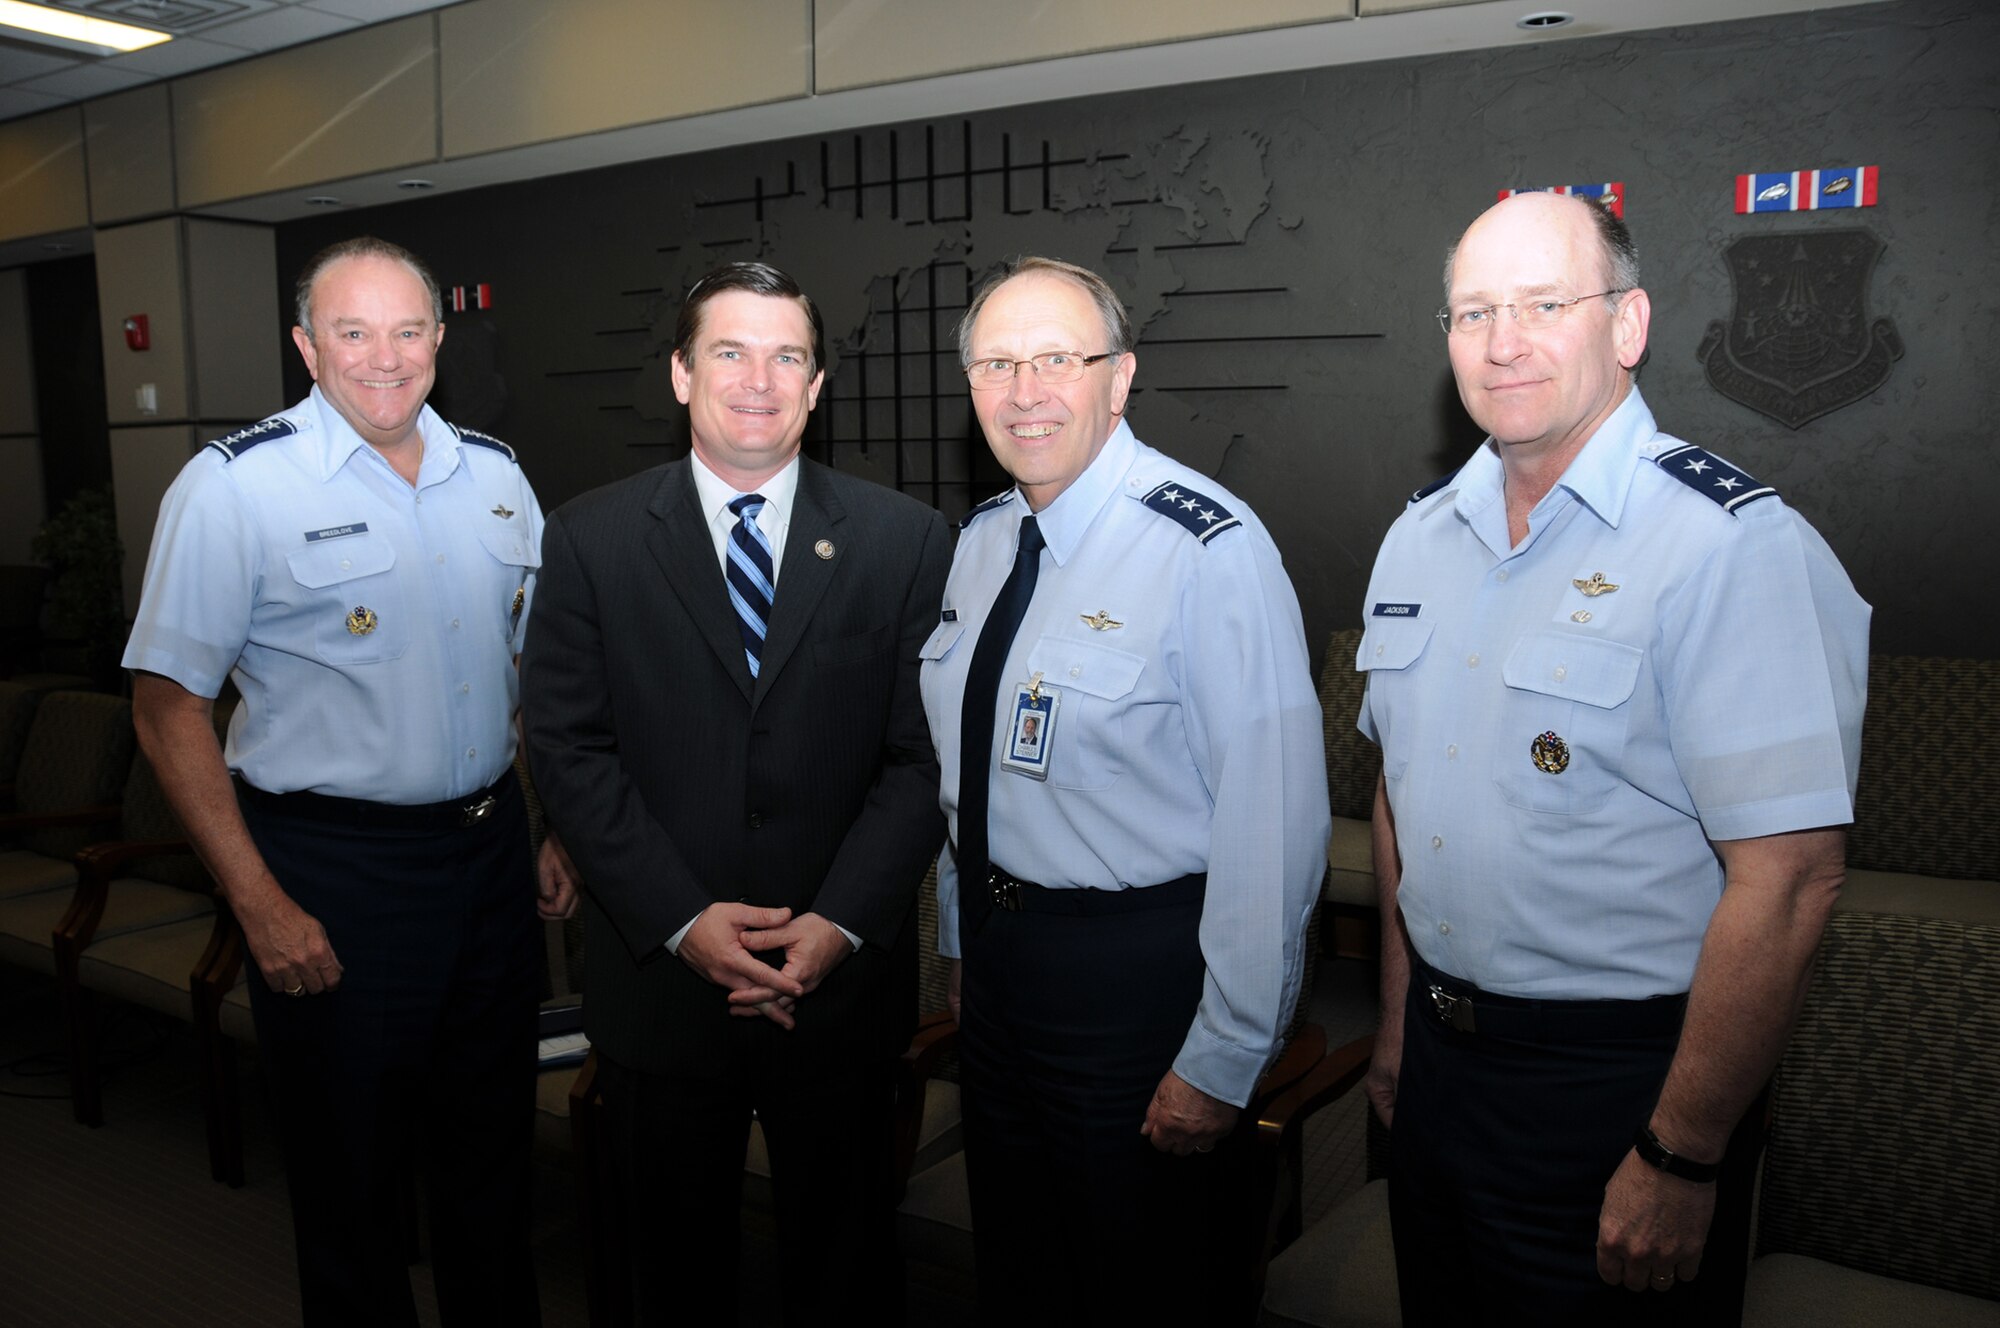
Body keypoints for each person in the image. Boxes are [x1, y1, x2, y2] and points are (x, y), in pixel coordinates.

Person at [1357, 192, 1869, 1325]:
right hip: (1441, 1065)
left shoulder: (1729, 544)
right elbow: (1399, 794)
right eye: (1471, 311)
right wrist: (1395, 1027)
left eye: (1544, 303)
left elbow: (1788, 879)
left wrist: (1682, 1151)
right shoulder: (1414, 538)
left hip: (1620, 1085)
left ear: (1625, 325)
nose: (1502, 340)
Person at [124, 236, 576, 1327]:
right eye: (353, 331)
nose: (386, 357)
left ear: (438, 339)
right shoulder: (233, 487)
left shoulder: (498, 474)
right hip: (331, 870)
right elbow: (165, 706)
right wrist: (258, 901)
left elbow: (522, 673)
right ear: (305, 347)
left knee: (490, 1162)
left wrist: (546, 824)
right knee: (351, 1182)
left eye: (408, 329)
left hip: (485, 860)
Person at [521, 261, 950, 1324]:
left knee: (845, 1262)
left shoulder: (906, 542)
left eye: (785, 357)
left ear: (814, 387)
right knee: (667, 1268)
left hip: (836, 988)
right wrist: (679, 919)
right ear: (679, 374)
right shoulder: (589, 537)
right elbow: (570, 750)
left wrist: (838, 924)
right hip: (660, 987)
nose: (757, 378)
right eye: (728, 351)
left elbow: (921, 760)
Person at [919, 256, 1328, 1323]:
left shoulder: (1207, 549)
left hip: (1140, 981)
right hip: (1005, 976)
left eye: (1057, 357)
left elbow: (1271, 828)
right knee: (1020, 1263)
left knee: (1150, 1276)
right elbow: (968, 786)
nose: (1024, 389)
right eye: (996, 363)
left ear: (1120, 376)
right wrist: (964, 944)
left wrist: (1227, 1052)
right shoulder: (979, 545)